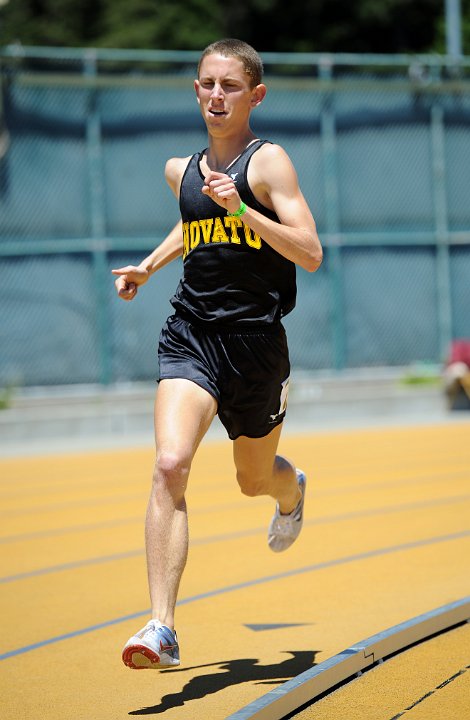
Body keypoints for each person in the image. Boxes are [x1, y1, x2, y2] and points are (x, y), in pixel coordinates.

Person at [112, 38, 323, 670]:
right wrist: (149, 267)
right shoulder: (182, 169)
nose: (215, 95)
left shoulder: (268, 164)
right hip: (193, 333)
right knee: (170, 464)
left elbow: (310, 252)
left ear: (255, 95)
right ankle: (161, 626)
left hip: (256, 345)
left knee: (251, 479)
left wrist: (246, 212)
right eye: (206, 83)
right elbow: (194, 219)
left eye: (229, 85)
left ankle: (291, 491)